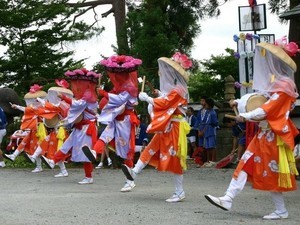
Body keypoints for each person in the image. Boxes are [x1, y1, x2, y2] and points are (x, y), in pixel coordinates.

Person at [205, 38, 300, 219]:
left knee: (271, 172)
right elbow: (260, 97)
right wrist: (239, 102)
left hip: (275, 135)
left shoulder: (285, 86)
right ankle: (228, 198)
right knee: (245, 162)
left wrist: (247, 116)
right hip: (264, 134)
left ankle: (281, 210)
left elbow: (267, 108)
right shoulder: (277, 83)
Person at [121, 52, 192, 202]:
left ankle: (180, 191)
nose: (165, 73)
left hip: (174, 128)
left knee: (175, 159)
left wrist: (148, 98)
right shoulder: (177, 89)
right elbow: (166, 98)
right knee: (149, 149)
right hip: (167, 126)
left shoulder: (180, 90)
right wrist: (158, 93)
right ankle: (133, 173)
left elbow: (166, 103)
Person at [81, 54, 141, 191]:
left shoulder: (131, 88)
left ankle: (130, 180)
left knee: (126, 150)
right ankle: (95, 152)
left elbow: (119, 100)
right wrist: (101, 94)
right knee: (104, 135)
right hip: (116, 119)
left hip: (126, 121)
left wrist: (104, 93)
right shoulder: (119, 88)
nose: (115, 78)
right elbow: (112, 100)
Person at [42, 68, 100, 184]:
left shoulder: (88, 99)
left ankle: (89, 177)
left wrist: (64, 98)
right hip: (80, 127)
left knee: (85, 154)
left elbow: (76, 104)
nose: (77, 88)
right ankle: (53, 161)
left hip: (87, 128)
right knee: (66, 145)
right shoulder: (87, 98)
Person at [25, 80, 73, 177]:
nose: (56, 97)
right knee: (45, 144)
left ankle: (59, 168)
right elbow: (49, 106)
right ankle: (35, 157)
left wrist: (39, 98)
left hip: (61, 132)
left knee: (58, 151)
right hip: (57, 131)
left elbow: (49, 106)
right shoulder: (64, 106)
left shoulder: (62, 106)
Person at [4, 84, 48, 172]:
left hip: (40, 131)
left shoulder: (43, 109)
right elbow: (26, 109)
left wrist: (17, 106)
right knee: (25, 143)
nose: (33, 102)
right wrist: (17, 106)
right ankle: (14, 155)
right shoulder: (35, 109)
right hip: (33, 130)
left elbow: (27, 110)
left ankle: (44, 165)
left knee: (37, 147)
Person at [200, 98, 218, 167]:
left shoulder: (213, 113)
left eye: (206, 104)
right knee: (207, 146)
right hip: (207, 130)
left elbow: (215, 122)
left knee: (212, 146)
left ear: (209, 105)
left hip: (211, 130)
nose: (205, 105)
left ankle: (213, 160)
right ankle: (208, 160)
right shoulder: (208, 112)